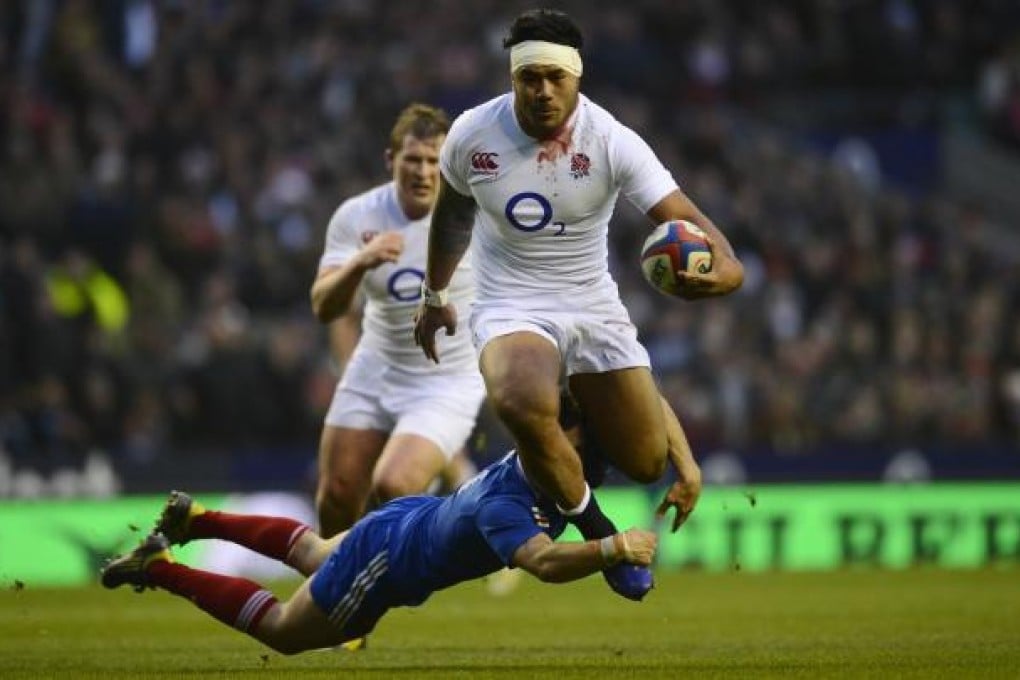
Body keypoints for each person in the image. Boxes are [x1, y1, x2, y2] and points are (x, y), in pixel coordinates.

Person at [413, 9, 740, 574]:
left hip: (590, 305)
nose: (541, 91)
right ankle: (601, 534)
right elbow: (450, 220)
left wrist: (723, 278)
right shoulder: (472, 135)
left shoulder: (612, 141)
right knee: (517, 397)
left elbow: (701, 230)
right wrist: (434, 295)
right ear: (512, 77)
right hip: (508, 302)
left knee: (644, 461)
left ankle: (570, 431)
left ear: (577, 77)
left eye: (554, 78)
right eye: (528, 77)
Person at [100, 396, 701, 654]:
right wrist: (614, 547)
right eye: (580, 444)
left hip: (402, 520)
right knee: (285, 631)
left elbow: (636, 401)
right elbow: (542, 562)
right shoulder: (511, 508)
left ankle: (199, 518)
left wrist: (678, 462)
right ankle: (160, 568)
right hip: (388, 563)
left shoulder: (538, 467)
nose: (587, 456)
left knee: (313, 551)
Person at [310, 103, 486, 538]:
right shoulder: (358, 216)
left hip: (447, 381)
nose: (424, 172)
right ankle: (329, 601)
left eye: (434, 161)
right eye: (413, 159)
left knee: (394, 484)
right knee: (336, 494)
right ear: (391, 161)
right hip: (376, 368)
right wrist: (359, 263)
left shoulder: (479, 215)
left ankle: (414, 570)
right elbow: (324, 307)